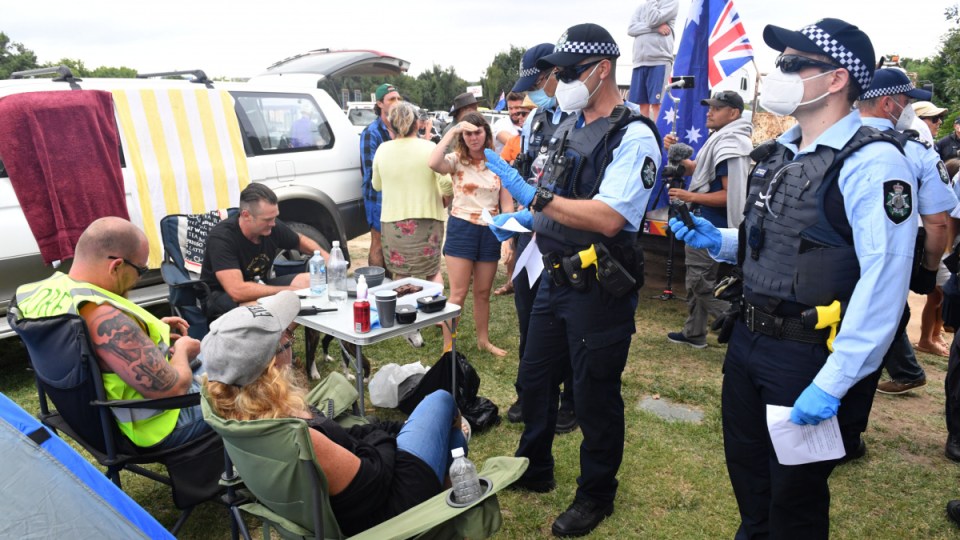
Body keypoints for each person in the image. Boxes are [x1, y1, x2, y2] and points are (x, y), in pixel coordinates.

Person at [669, 18, 915, 537]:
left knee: (795, 501)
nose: (778, 73)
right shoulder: (782, 151)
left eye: (794, 64)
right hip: (748, 340)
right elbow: (780, 241)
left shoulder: (873, 164)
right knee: (749, 479)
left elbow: (884, 284)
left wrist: (834, 382)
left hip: (808, 354)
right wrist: (721, 242)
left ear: (836, 79)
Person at [486, 23, 662, 536]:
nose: (559, 81)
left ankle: (596, 494)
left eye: (568, 72)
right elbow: (555, 196)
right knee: (536, 379)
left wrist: (535, 199)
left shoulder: (633, 135)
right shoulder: (565, 127)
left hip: (598, 287)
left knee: (594, 395)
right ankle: (534, 466)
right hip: (553, 277)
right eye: (557, 73)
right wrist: (522, 217)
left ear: (602, 69)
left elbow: (608, 217)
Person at [202, 291, 468, 537]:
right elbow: (374, 480)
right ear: (274, 363)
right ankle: (437, 518)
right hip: (384, 512)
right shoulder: (301, 437)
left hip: (348, 496)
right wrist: (388, 437)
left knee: (450, 441)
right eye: (288, 339)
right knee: (440, 402)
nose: (291, 343)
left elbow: (346, 438)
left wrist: (389, 431)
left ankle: (443, 512)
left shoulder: (243, 411)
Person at [14, 217, 210, 449]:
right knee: (241, 373)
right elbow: (174, 390)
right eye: (141, 270)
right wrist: (183, 349)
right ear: (116, 266)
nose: (139, 278)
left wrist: (141, 334)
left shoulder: (35, 294)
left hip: (91, 421)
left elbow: (89, 347)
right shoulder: (103, 316)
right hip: (154, 426)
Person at [858, 68, 957, 396]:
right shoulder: (917, 150)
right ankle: (902, 372)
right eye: (907, 101)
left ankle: (903, 371)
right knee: (885, 314)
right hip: (893, 253)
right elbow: (938, 222)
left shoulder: (831, 140)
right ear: (888, 103)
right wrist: (929, 269)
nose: (910, 110)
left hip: (834, 255)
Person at [496, 42, 578, 434]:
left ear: (555, 74)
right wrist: (514, 224)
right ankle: (530, 391)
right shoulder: (535, 121)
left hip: (569, 238)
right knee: (530, 318)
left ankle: (571, 400)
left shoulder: (584, 118)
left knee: (570, 323)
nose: (533, 94)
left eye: (537, 83)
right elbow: (527, 171)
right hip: (532, 235)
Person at [664, 89, 752, 349]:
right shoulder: (722, 139)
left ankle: (741, 324)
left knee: (700, 284)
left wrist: (689, 196)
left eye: (716, 108)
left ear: (733, 113)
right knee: (698, 280)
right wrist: (679, 156)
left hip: (711, 228)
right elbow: (699, 171)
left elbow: (728, 195)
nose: (709, 112)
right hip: (705, 224)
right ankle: (694, 333)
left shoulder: (730, 144)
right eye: (709, 107)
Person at [429, 112, 511, 358]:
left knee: (483, 292)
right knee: (458, 293)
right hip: (462, 229)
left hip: (490, 230)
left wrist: (507, 238)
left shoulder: (497, 162)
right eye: (468, 133)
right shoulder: (456, 160)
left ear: (486, 133)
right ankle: (448, 348)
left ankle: (483, 341)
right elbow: (433, 162)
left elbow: (507, 205)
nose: (473, 138)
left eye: (478, 132)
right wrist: (453, 131)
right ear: (462, 136)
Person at [199, 183, 326, 321]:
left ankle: (290, 330)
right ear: (246, 215)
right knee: (263, 308)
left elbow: (299, 240)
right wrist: (286, 292)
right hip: (220, 295)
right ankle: (280, 330)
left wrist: (326, 256)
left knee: (310, 281)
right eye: (267, 219)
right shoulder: (222, 238)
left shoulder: (271, 226)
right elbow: (237, 291)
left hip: (260, 284)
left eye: (275, 217)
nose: (273, 223)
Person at [372, 101, 452, 283]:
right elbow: (447, 183)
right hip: (429, 219)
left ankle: (404, 303)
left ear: (391, 125)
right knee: (432, 271)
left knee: (401, 274)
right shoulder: (430, 147)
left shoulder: (382, 150)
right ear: (417, 124)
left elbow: (376, 185)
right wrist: (445, 199)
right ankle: (435, 302)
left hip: (393, 222)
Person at [360, 83, 403, 273]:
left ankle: (391, 283)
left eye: (398, 98)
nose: (397, 102)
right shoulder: (372, 132)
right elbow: (370, 171)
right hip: (377, 196)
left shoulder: (402, 129)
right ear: (379, 104)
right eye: (392, 99)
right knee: (378, 241)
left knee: (395, 242)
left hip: (398, 195)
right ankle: (377, 283)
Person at [627, 0, 679, 118]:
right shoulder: (641, 7)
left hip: (659, 60)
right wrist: (656, 29)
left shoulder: (671, 3)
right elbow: (631, 29)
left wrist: (648, 26)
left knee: (657, 104)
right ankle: (644, 129)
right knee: (641, 105)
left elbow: (653, 20)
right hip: (639, 62)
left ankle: (658, 130)